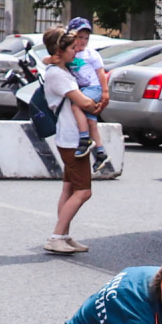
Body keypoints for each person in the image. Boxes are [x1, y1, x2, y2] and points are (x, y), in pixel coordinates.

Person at [40, 25, 104, 255]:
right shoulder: (58, 74)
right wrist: (94, 103)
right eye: (71, 48)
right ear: (61, 50)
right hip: (71, 139)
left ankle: (63, 235)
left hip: (71, 136)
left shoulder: (59, 68)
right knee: (83, 191)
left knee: (69, 187)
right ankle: (56, 236)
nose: (76, 51)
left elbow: (47, 58)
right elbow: (85, 103)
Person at [64, 17, 113, 173]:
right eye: (80, 37)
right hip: (83, 89)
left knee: (76, 105)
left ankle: (84, 139)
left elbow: (101, 73)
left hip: (93, 88)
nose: (83, 41)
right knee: (92, 123)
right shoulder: (70, 54)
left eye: (86, 38)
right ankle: (101, 153)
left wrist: (105, 92)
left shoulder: (90, 54)